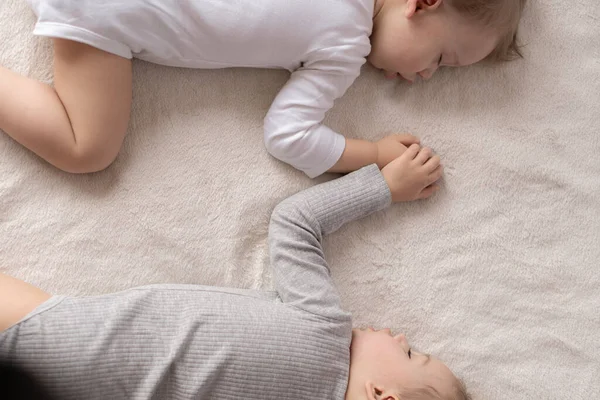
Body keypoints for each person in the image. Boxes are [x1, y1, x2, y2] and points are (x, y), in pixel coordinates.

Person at [0, 145, 468, 399]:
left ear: (380, 395)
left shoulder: (327, 333)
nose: (399, 335)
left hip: (100, 349)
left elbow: (295, 223)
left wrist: (384, 186)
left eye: (411, 354)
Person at [0, 0, 525, 177]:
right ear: (421, 3)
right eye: (441, 58)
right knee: (87, 148)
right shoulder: (345, 48)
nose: (428, 76)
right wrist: (372, 154)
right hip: (113, 13)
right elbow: (287, 136)